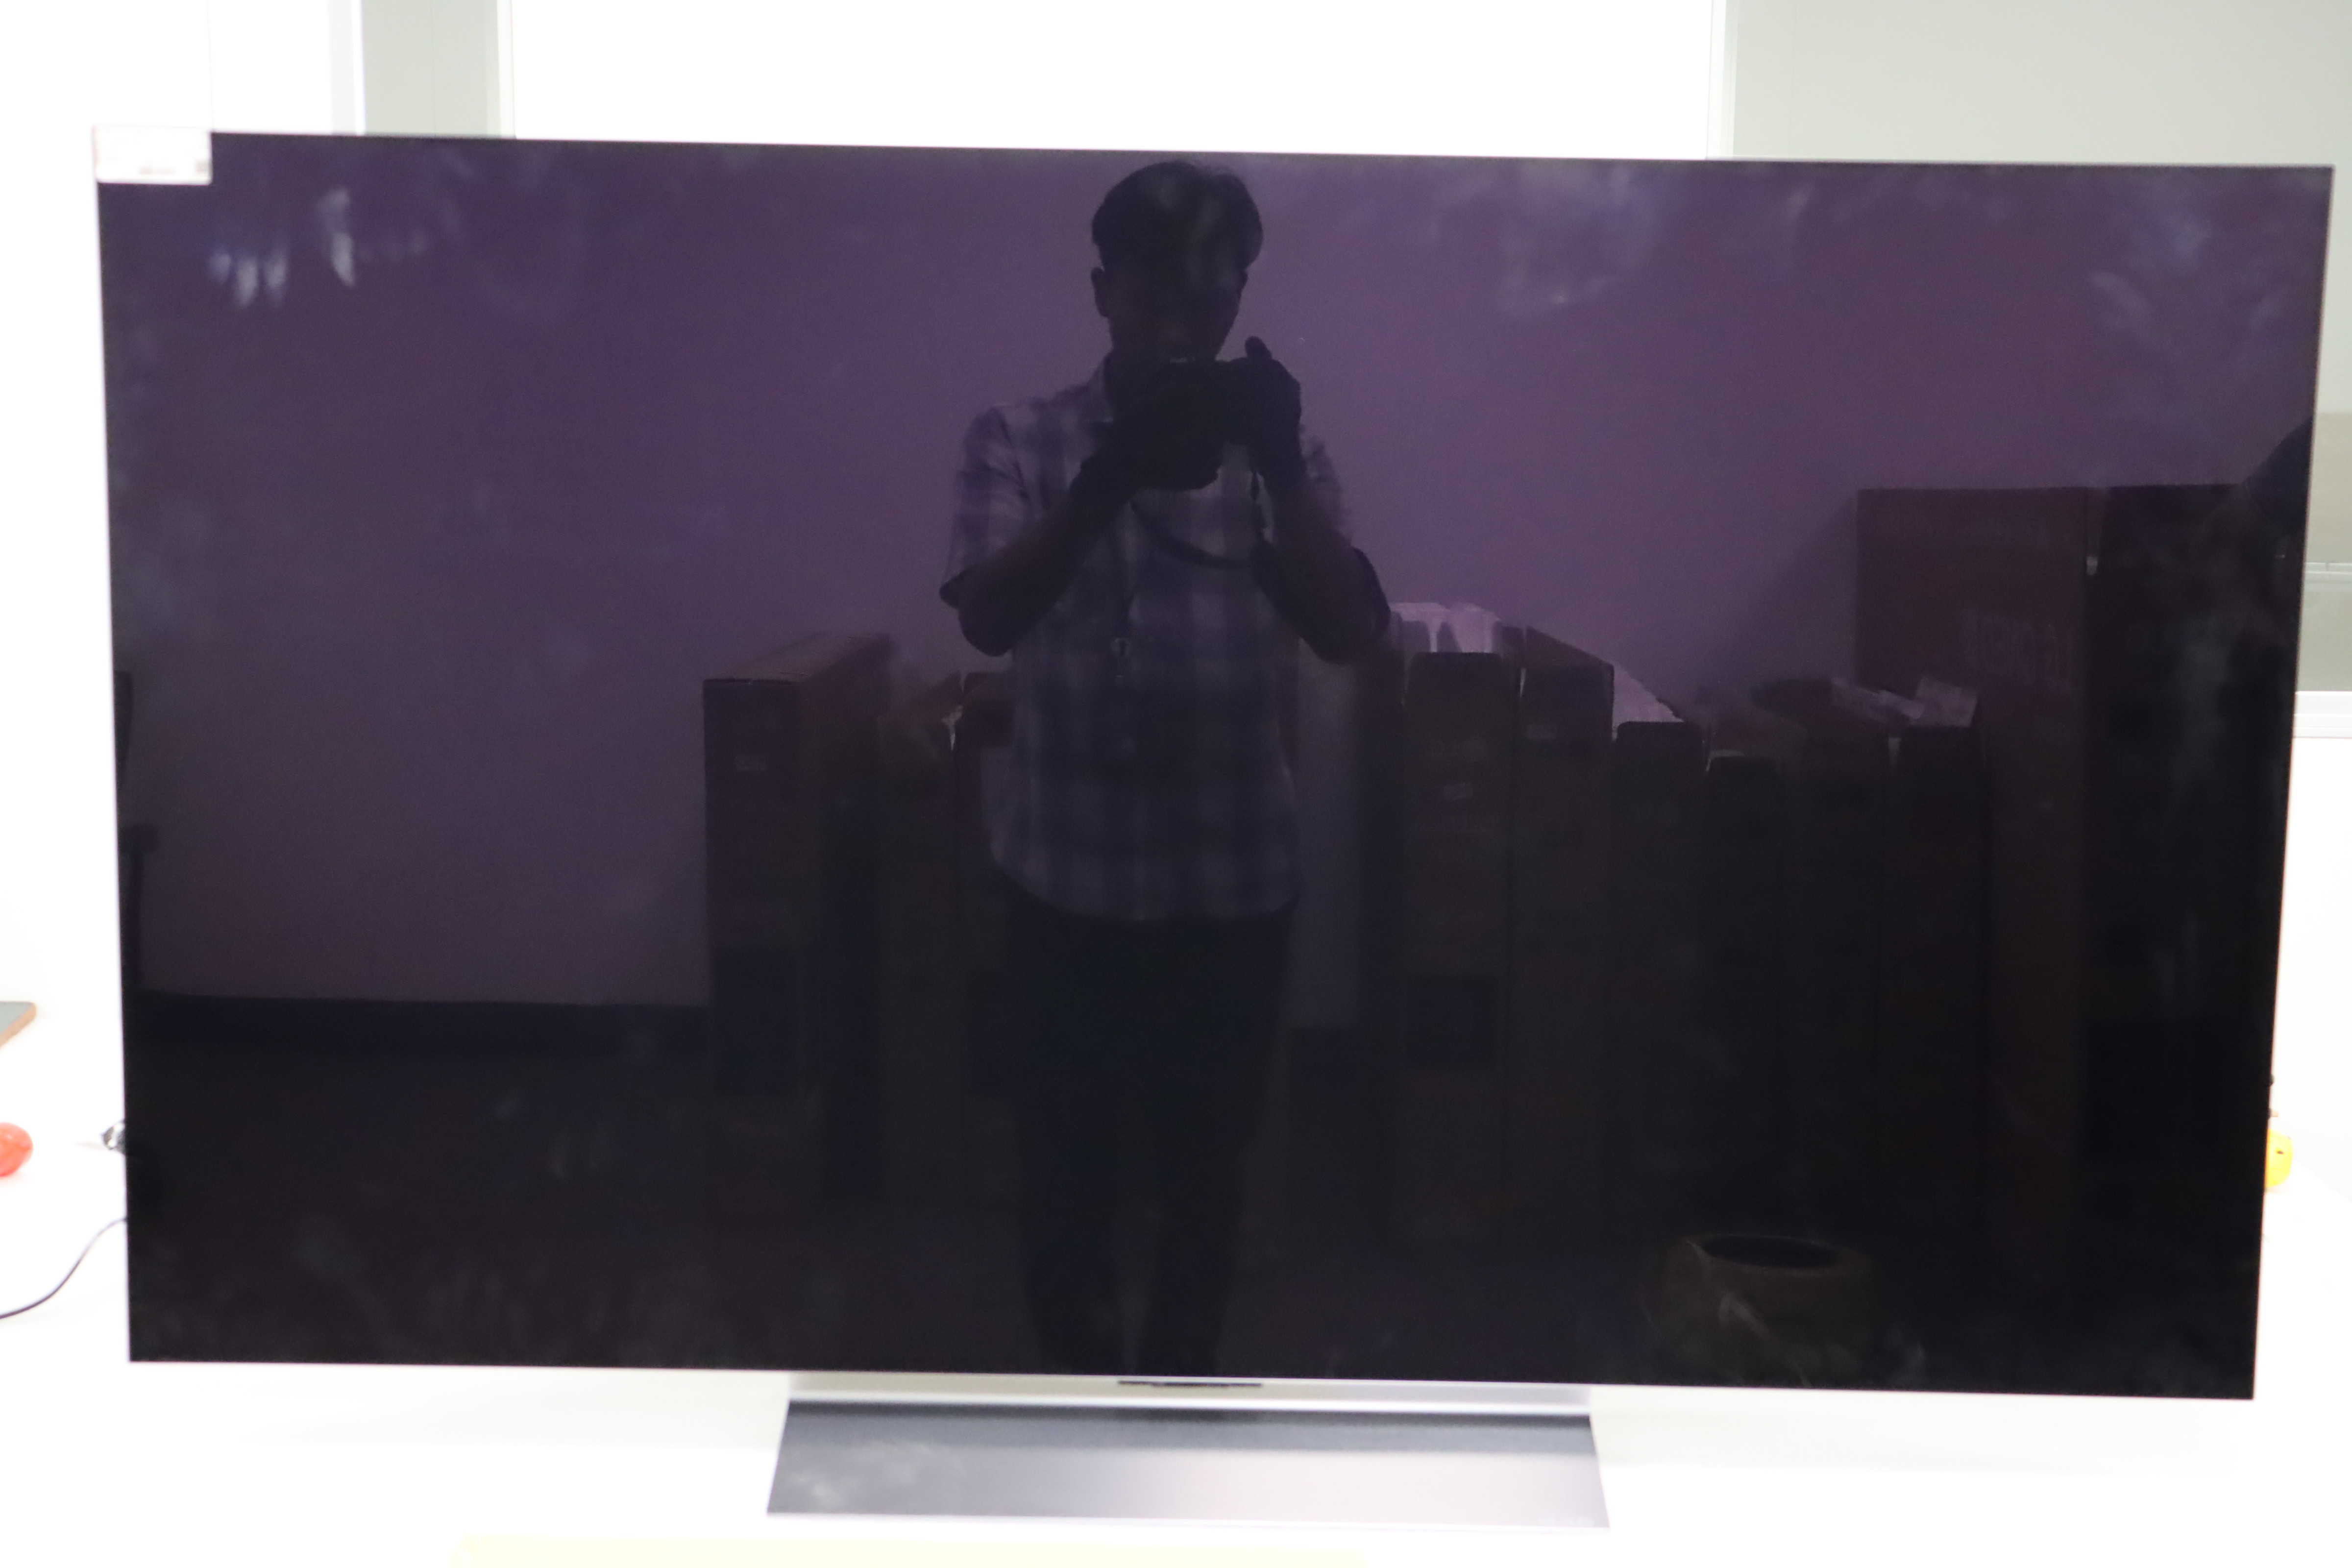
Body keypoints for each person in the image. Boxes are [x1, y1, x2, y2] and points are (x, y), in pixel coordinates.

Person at [941, 160, 1389, 1375]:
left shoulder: (1281, 450)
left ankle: (1180, 1399)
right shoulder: (1018, 438)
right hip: (1067, 885)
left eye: (1211, 299)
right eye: (1154, 300)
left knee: (1209, 1177)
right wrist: (1108, 479)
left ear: (1241, 296)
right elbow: (988, 617)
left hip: (1231, 888)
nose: (1184, 329)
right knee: (1063, 1176)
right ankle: (1075, 1409)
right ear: (1103, 293)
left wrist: (1280, 464)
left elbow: (1349, 632)